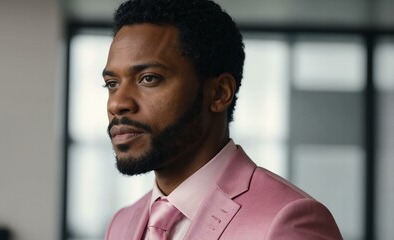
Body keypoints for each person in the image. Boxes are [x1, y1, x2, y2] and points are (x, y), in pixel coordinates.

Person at [102, 0, 343, 239]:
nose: (117, 104)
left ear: (219, 93)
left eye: (149, 78)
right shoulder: (122, 224)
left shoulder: (289, 221)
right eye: (112, 84)